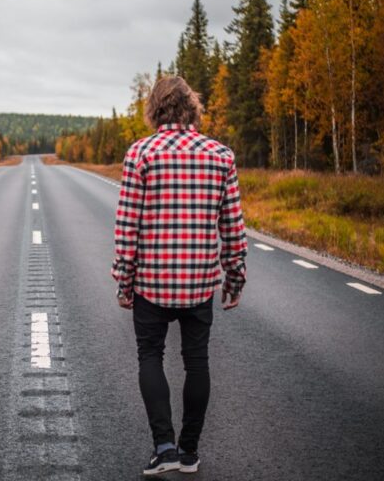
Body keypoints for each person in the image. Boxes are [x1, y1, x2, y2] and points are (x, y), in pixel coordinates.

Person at [111, 76, 248, 476]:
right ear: (193, 108)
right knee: (197, 361)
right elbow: (233, 227)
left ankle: (165, 448)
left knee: (150, 356)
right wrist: (234, 278)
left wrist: (124, 280)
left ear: (155, 109)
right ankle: (190, 452)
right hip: (198, 283)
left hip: (151, 283)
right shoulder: (221, 156)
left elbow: (127, 227)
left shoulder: (141, 154)